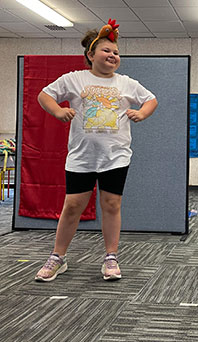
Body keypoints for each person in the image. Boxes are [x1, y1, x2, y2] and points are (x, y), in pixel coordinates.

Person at [35, 19, 158, 282]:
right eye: (106, 51)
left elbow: (151, 99)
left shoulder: (126, 83)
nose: (113, 56)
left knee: (111, 204)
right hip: (81, 156)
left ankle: (110, 257)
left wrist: (142, 113)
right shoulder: (74, 79)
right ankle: (58, 257)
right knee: (72, 206)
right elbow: (44, 95)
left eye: (116, 53)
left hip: (116, 156)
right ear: (90, 55)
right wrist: (58, 110)